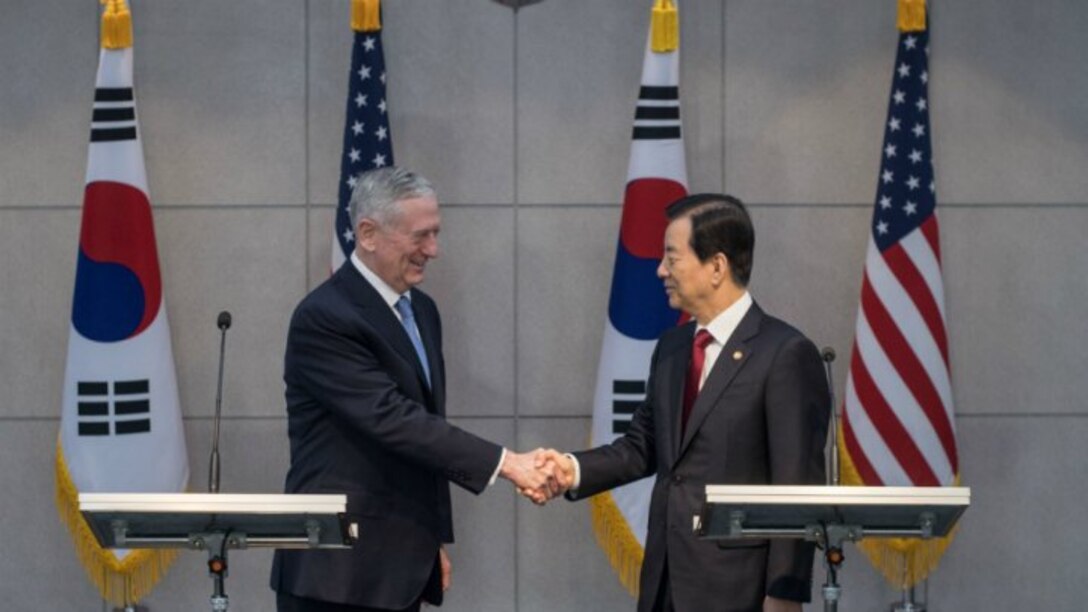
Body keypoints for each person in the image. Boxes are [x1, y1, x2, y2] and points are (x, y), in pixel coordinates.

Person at [271, 167, 557, 612]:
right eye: (420, 236)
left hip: (400, 565)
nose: (433, 250)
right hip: (337, 571)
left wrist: (430, 541)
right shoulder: (326, 316)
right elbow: (394, 420)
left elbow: (428, 427)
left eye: (436, 234)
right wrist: (507, 463)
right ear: (368, 233)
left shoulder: (421, 310)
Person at [540, 194, 830, 612]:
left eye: (671, 258)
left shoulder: (784, 353)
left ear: (716, 266)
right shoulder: (674, 348)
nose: (660, 270)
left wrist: (785, 591)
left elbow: (797, 486)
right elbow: (642, 446)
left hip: (739, 591)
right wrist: (570, 470)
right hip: (666, 582)